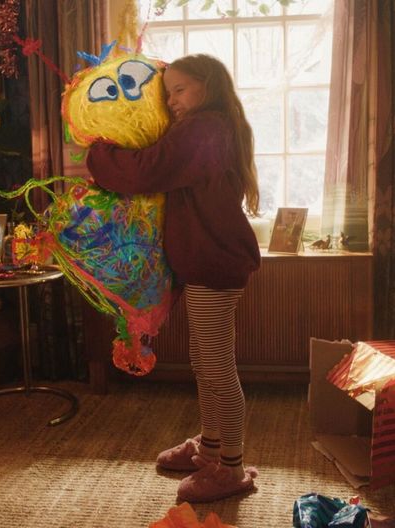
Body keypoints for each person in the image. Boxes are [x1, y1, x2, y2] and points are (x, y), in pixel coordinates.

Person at [87, 54, 261, 503]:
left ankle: (232, 468)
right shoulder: (213, 126)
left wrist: (99, 152)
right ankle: (210, 446)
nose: (171, 101)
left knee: (217, 367)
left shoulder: (205, 129)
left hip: (214, 264)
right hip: (208, 262)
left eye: (179, 90)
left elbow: (148, 169)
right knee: (204, 361)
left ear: (209, 86)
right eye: (167, 94)